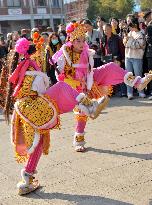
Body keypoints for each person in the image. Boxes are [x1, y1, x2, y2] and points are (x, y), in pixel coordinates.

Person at [4, 37, 108, 195]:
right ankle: (90, 106)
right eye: (38, 54)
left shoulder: (22, 67)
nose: (40, 57)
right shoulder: (32, 71)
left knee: (38, 142)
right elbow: (40, 90)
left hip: (25, 111)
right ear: (33, 55)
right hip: (35, 108)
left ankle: (26, 180)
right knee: (62, 87)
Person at [52, 22, 152, 152]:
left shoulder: (85, 51)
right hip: (73, 87)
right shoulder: (64, 54)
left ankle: (137, 83)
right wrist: (72, 80)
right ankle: (79, 141)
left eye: (83, 40)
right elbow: (59, 75)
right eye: (78, 41)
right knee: (82, 113)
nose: (82, 43)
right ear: (71, 39)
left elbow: (89, 69)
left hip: (89, 79)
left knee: (110, 67)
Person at [123, 18, 146, 99]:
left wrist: (129, 41)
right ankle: (129, 93)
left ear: (135, 25)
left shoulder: (141, 34)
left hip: (137, 58)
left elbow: (138, 45)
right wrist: (126, 39)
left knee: (138, 75)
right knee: (128, 76)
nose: (129, 28)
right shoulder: (129, 33)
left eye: (131, 26)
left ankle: (141, 92)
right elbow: (125, 44)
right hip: (128, 57)